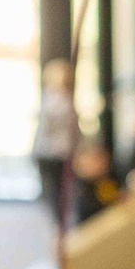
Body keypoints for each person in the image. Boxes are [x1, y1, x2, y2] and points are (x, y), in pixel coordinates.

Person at [33, 59, 78, 225]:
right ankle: (59, 226)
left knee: (59, 196)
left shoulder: (59, 100)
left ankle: (61, 226)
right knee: (55, 196)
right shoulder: (54, 100)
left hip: (59, 154)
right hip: (52, 154)